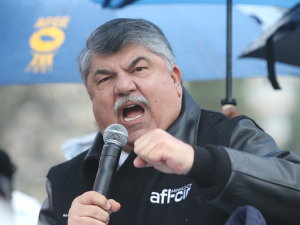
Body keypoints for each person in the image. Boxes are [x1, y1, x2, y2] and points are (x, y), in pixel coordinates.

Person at [38, 18, 300, 225]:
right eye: (105, 79)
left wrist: (202, 163)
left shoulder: (232, 137)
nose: (123, 86)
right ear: (91, 97)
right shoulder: (64, 181)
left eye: (138, 69)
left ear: (174, 78)